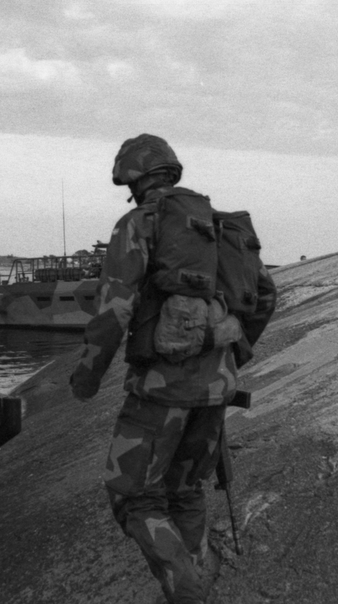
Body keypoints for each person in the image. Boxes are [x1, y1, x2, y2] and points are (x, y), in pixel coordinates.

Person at [70, 134, 276, 604]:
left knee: (133, 496)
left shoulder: (141, 222)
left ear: (134, 179)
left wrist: (87, 377)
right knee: (185, 490)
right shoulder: (221, 227)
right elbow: (265, 296)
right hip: (217, 389)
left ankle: (187, 592)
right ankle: (198, 577)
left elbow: (115, 309)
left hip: (161, 390)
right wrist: (231, 354)